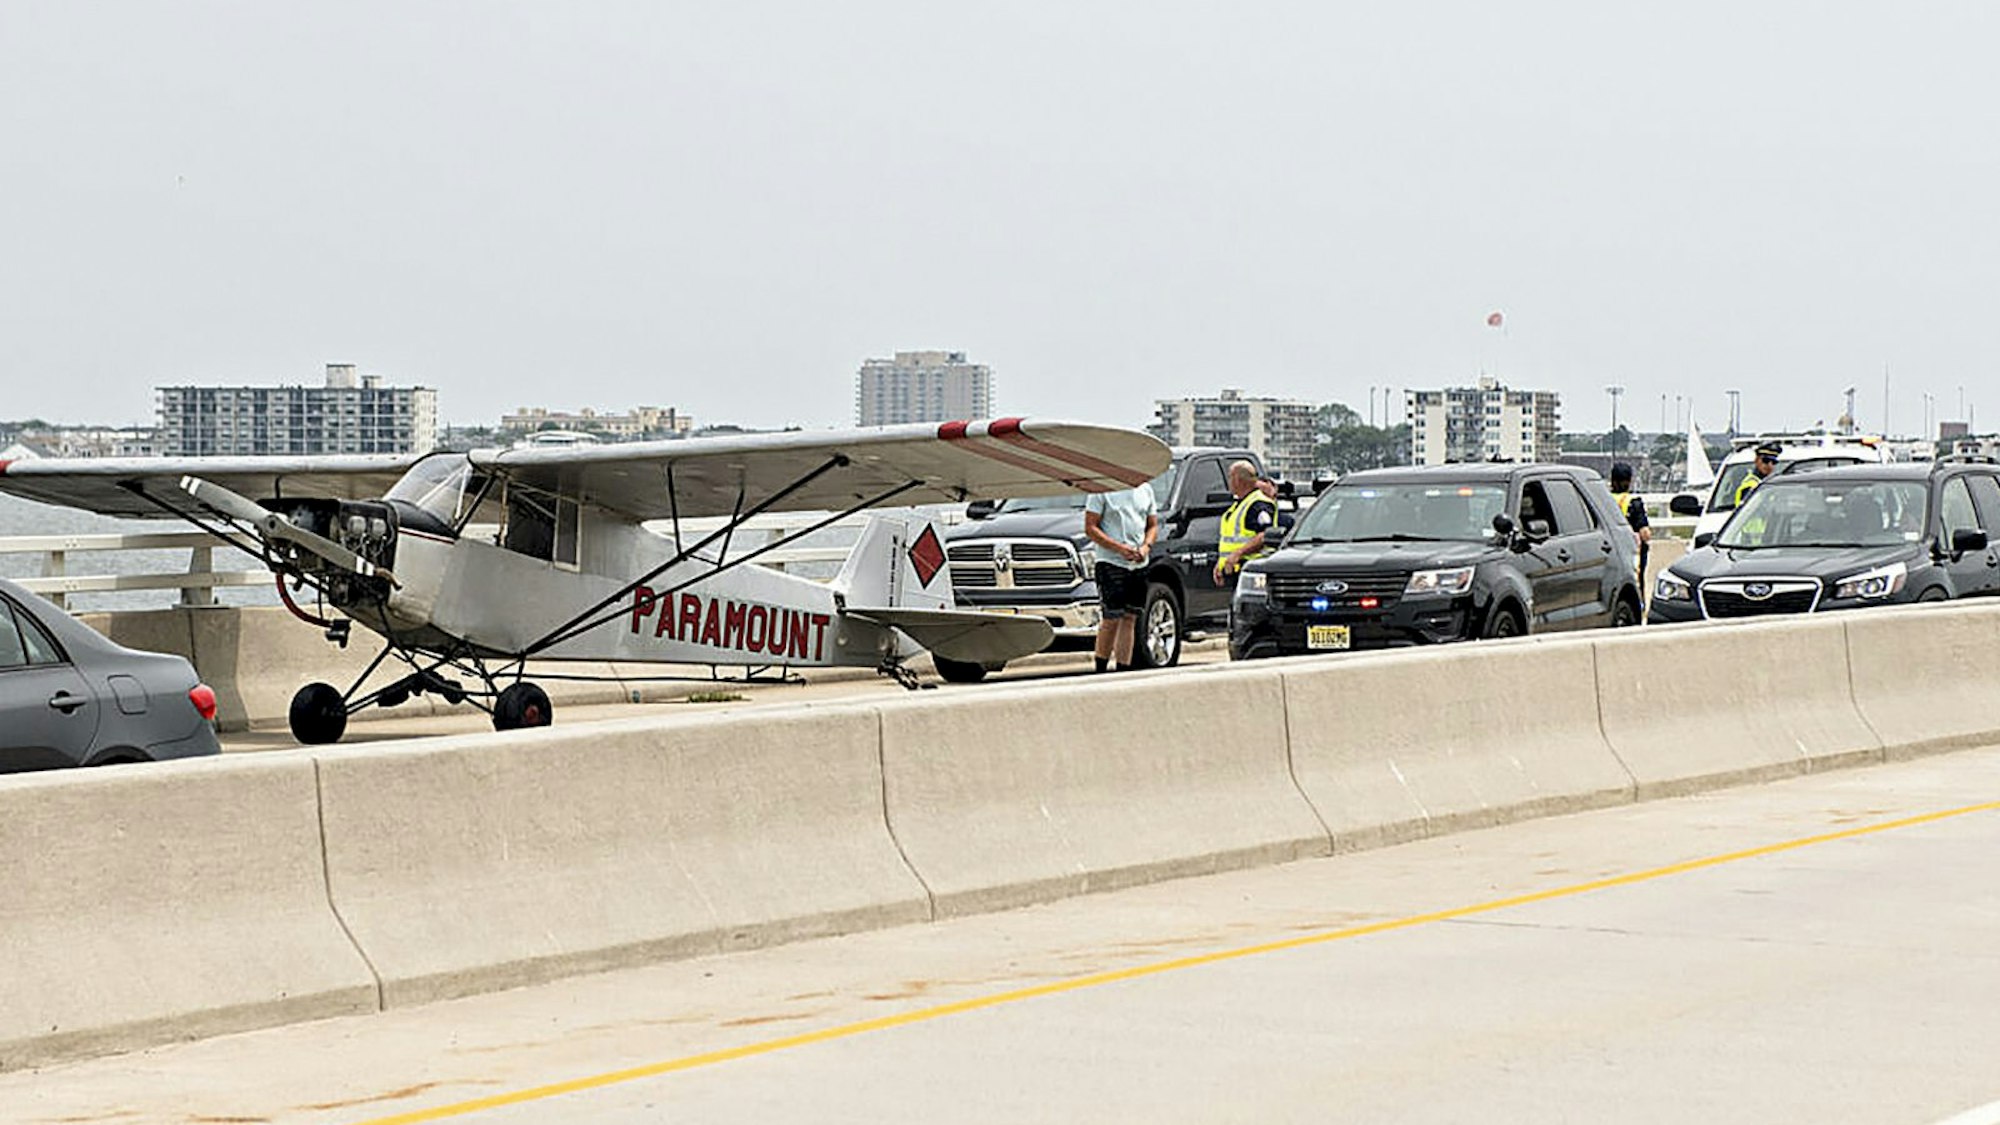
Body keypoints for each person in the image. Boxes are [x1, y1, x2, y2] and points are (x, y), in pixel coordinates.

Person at [1083, 480, 1159, 672]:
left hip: (1138, 562)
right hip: (1111, 561)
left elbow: (1152, 525)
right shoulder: (1101, 489)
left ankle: (1123, 668)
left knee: (1130, 617)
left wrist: (1146, 546)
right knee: (1111, 617)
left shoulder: (1145, 489)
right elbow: (1091, 527)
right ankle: (1100, 667)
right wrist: (1119, 548)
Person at [1212, 459, 1278, 586]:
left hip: (1252, 571)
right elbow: (1230, 542)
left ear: (1238, 480)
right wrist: (1220, 564)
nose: (1229, 482)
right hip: (1235, 570)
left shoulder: (1258, 504)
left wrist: (1238, 553)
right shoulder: (1240, 504)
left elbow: (1264, 535)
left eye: (1230, 477)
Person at [1609, 462, 1650, 581]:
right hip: (1631, 550)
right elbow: (1645, 533)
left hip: (1610, 549)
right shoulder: (1634, 502)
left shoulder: (1604, 499)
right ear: (1629, 481)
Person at [1735, 441, 1782, 507]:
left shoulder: (1771, 483)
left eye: (1774, 462)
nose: (1770, 465)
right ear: (1756, 460)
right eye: (1766, 461)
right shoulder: (1750, 486)